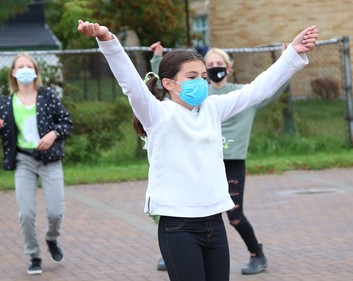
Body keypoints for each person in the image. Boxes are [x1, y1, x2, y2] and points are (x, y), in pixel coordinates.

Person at [77, 19, 318, 281]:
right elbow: (129, 82)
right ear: (168, 83)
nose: (201, 83)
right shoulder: (156, 113)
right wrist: (107, 39)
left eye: (202, 77)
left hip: (214, 222)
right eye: (192, 77)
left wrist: (293, 53)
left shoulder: (213, 108)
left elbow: (257, 90)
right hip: (178, 226)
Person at [150, 42, 289, 274]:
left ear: (229, 67)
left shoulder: (221, 101)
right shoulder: (188, 105)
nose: (204, 78)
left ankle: (257, 253)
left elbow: (262, 89)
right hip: (182, 213)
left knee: (234, 213)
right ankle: (179, 249)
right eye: (205, 68)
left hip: (232, 162)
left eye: (206, 73)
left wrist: (289, 59)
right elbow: (156, 85)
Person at [0, 53, 73, 275]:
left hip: (49, 160)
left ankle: (52, 239)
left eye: (28, 66)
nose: (24, 69)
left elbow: (66, 122)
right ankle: (33, 255)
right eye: (19, 66)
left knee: (55, 212)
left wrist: (53, 134)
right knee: (26, 214)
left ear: (35, 71)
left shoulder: (47, 96)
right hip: (23, 160)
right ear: (13, 72)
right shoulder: (5, 103)